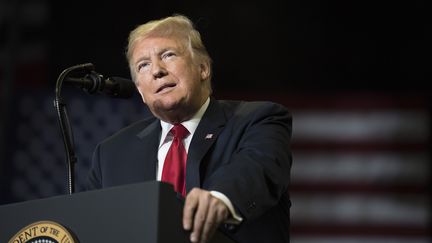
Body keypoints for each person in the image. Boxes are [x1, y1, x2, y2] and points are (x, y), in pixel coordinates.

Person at [86, 14, 292, 243]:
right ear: (140, 91)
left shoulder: (257, 120)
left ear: (203, 68)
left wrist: (220, 198)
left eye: (168, 55)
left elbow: (255, 167)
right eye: (143, 65)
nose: (157, 70)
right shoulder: (111, 154)